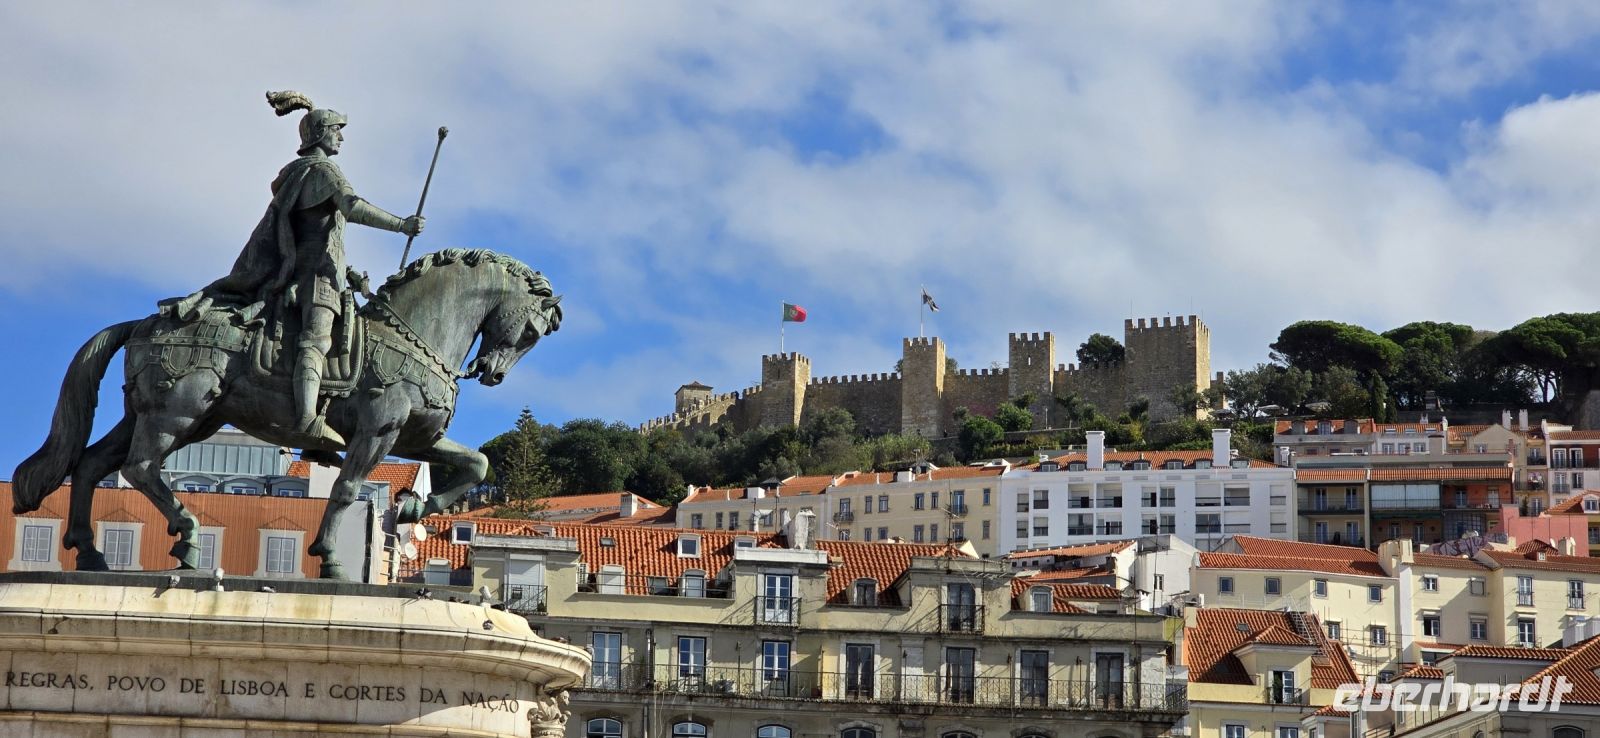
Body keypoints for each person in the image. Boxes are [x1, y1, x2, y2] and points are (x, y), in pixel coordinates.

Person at [174, 91, 422, 447]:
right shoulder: (323, 172)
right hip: (314, 278)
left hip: (320, 272)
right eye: (337, 129)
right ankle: (306, 417)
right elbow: (352, 207)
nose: (342, 137)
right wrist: (401, 225)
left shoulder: (300, 174)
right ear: (321, 133)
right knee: (316, 339)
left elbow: (321, 237)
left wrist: (350, 275)